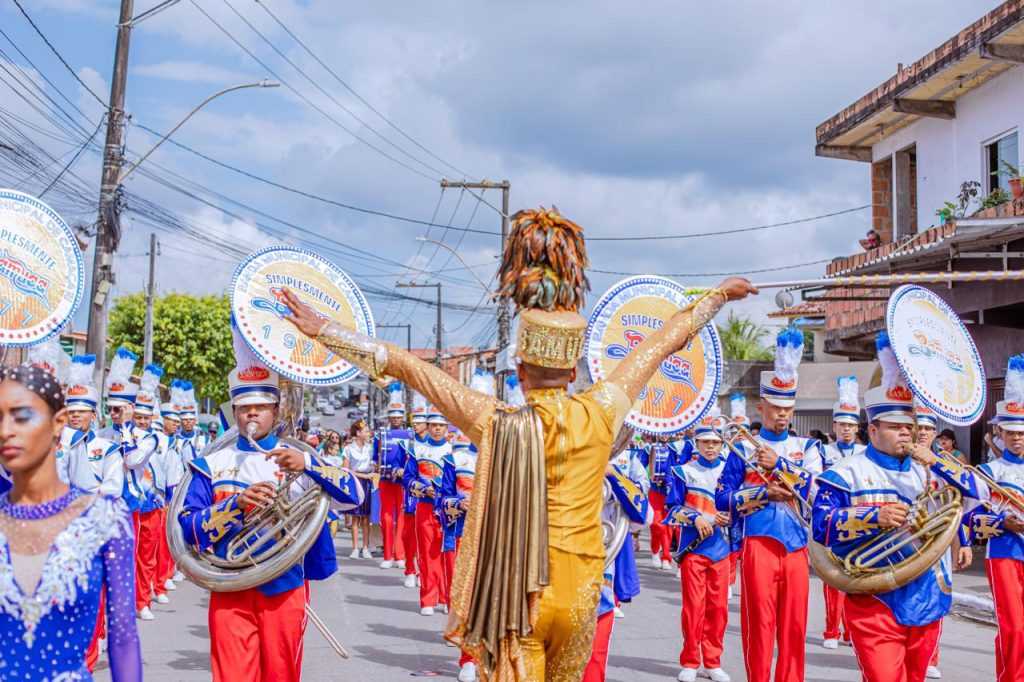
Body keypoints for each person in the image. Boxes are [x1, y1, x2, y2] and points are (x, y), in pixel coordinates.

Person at [281, 205, 755, 679]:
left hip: (518, 592)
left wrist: (326, 330)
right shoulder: (603, 408)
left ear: (520, 372)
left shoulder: (494, 420)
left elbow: (408, 367)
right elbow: (662, 342)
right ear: (573, 372)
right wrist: (719, 295)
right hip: (582, 591)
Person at [178, 321, 364, 682]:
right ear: (234, 411)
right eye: (244, 407)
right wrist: (236, 506)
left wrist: (309, 464)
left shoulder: (298, 456)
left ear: (275, 412)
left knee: (281, 675)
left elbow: (355, 495)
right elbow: (188, 528)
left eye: (261, 407)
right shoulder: (211, 463)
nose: (251, 414)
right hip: (230, 587)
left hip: (285, 583)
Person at [812, 332, 978, 682]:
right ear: (872, 429)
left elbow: (976, 492)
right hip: (874, 598)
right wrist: (874, 517)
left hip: (928, 593)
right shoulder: (845, 473)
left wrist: (939, 462)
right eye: (896, 427)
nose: (906, 434)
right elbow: (821, 525)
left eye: (909, 427)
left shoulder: (928, 470)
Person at [0, 362, 142, 680]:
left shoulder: (104, 519)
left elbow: (122, 638)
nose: (5, 430)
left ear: (58, 422)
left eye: (22, 416)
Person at [715, 328, 822, 682]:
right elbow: (722, 500)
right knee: (758, 627)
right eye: (775, 407)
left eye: (788, 408)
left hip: (796, 546)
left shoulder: (807, 448)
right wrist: (763, 494)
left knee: (794, 629)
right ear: (760, 406)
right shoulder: (743, 447)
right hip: (757, 543)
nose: (782, 415)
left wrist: (779, 466)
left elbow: (817, 493)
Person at [964, 354, 1024, 682]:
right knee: (1014, 628)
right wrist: (1004, 524)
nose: (1017, 438)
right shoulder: (989, 472)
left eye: (1022, 432)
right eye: (1011, 432)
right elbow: (971, 520)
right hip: (1004, 555)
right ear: (999, 430)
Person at [667, 416, 732, 682]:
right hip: (693, 550)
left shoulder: (731, 471)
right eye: (706, 442)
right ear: (696, 443)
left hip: (723, 549)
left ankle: (713, 661)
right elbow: (671, 509)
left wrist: (732, 516)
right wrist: (696, 517)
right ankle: (691, 661)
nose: (711, 447)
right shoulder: (684, 471)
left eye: (716, 442)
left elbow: (740, 505)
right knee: (693, 607)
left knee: (719, 609)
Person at [583, 438, 651, 682]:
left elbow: (643, 513)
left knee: (595, 652)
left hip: (603, 561)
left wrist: (614, 475)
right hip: (558, 561)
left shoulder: (629, 458)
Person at [820, 375, 865, 649]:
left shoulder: (865, 452)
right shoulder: (823, 451)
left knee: (857, 575)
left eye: (851, 425)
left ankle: (851, 630)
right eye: (842, 424)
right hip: (834, 518)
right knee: (833, 578)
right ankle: (830, 630)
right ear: (834, 425)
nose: (846, 429)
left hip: (860, 520)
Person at [129, 364, 170, 618]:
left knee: (147, 556)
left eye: (146, 418)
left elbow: (168, 472)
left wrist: (166, 497)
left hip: (153, 504)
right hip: (128, 504)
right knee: (124, 557)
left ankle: (143, 601)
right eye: (138, 417)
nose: (142, 421)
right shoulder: (117, 436)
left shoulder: (160, 440)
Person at [405, 406, 452, 615]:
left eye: (441, 425)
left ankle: (448, 598)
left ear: (447, 427)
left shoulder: (453, 451)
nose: (437, 429)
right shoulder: (418, 449)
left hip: (450, 512)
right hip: (424, 507)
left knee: (449, 555)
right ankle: (428, 600)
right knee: (426, 554)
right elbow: (408, 478)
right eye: (434, 425)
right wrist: (423, 489)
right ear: (428, 426)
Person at [442, 429, 480, 682]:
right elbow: (442, 498)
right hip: (466, 537)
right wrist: (457, 503)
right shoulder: (455, 460)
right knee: (469, 598)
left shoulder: (516, 459)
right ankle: (469, 659)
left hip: (505, 539)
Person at [378, 382, 411, 570]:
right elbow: (376, 456)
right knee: (387, 518)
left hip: (403, 481)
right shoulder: (381, 434)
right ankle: (388, 555)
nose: (396, 419)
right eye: (393, 416)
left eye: (399, 417)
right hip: (385, 480)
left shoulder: (409, 434)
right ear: (389, 417)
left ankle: (400, 554)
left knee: (402, 518)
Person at [343, 419, 376, 559]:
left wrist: (373, 473)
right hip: (356, 482)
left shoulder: (371, 448)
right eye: (366, 431)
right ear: (358, 433)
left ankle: (366, 547)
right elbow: (346, 469)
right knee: (355, 517)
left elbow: (375, 464)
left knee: (366, 518)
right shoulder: (348, 448)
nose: (368, 433)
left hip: (368, 483)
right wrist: (363, 475)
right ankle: (355, 548)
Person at [177, 381, 207, 463]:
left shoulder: (203, 437)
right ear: (181, 421)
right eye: (185, 420)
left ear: (194, 421)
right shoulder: (176, 439)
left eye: (191, 420)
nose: (188, 422)